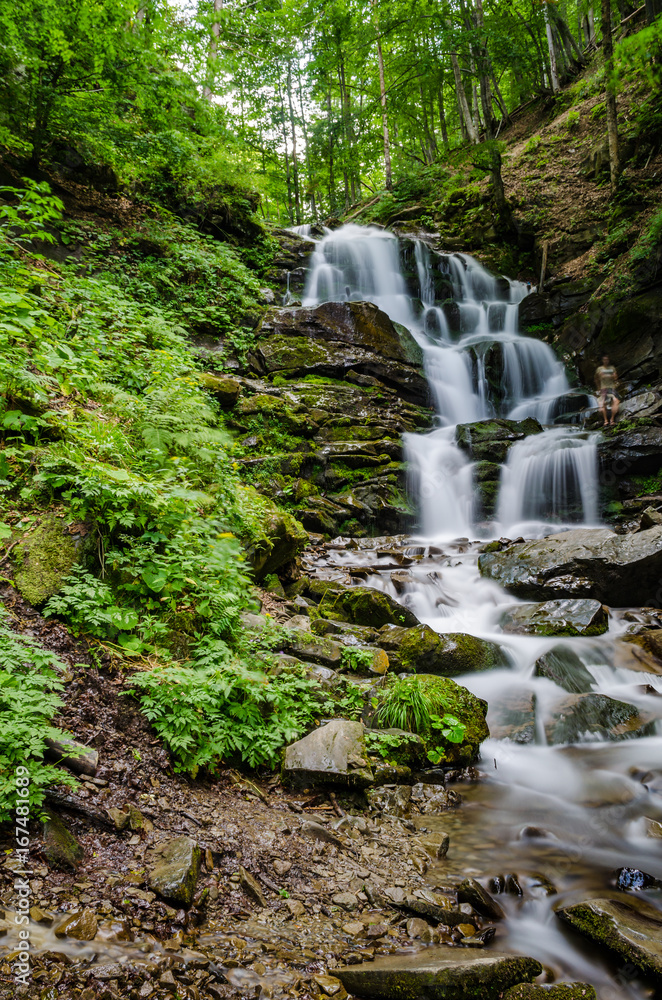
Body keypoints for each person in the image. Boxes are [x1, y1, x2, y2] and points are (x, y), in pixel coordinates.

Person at [595, 354, 620, 427]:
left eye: (607, 360)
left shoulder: (612, 368)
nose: (606, 361)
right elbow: (596, 378)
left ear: (608, 360)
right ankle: (606, 420)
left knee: (616, 401)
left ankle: (612, 419)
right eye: (604, 360)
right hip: (604, 389)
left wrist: (609, 376)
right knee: (603, 404)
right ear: (602, 361)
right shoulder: (599, 369)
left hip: (611, 388)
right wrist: (598, 388)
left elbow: (615, 378)